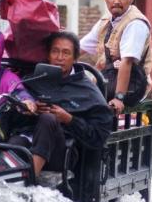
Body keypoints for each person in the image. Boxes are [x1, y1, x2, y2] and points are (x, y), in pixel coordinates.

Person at [11, 31, 113, 177]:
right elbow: (12, 118)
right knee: (14, 143)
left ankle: (30, 180)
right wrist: (30, 109)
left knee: (48, 119)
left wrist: (69, 119)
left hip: (63, 154)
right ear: (48, 54)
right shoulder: (34, 80)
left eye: (66, 53)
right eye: (55, 52)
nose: (59, 58)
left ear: (75, 58)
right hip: (28, 141)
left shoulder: (87, 90)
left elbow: (99, 136)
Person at [80, 0, 152, 113]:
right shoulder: (106, 20)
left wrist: (119, 98)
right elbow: (81, 47)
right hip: (107, 80)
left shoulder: (135, 23)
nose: (116, 1)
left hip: (132, 88)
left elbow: (127, 62)